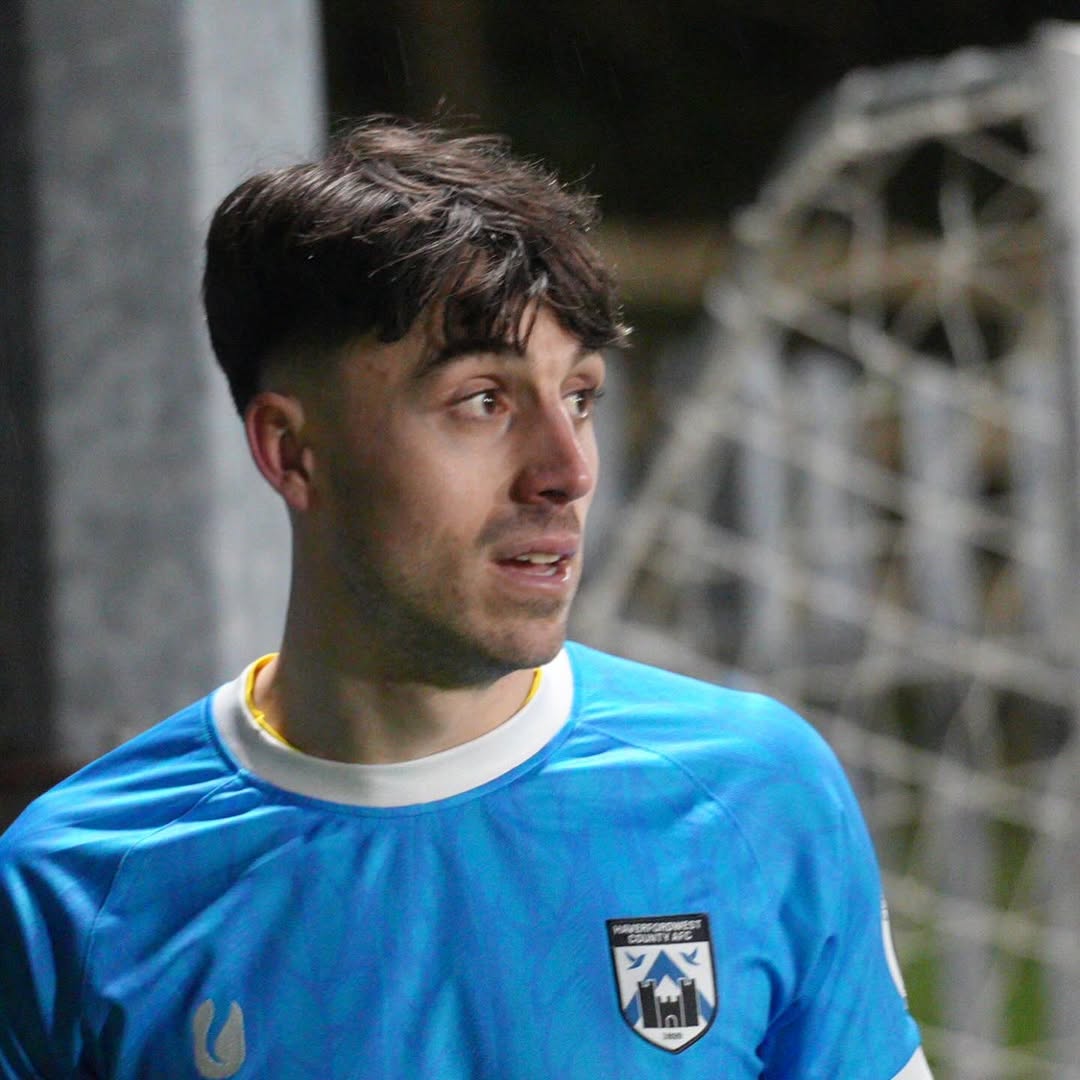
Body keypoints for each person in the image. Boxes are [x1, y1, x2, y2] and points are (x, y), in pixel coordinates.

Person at [0, 117, 932, 1079]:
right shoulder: (75, 887)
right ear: (292, 451)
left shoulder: (750, 795)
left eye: (579, 396)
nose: (568, 470)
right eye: (483, 400)